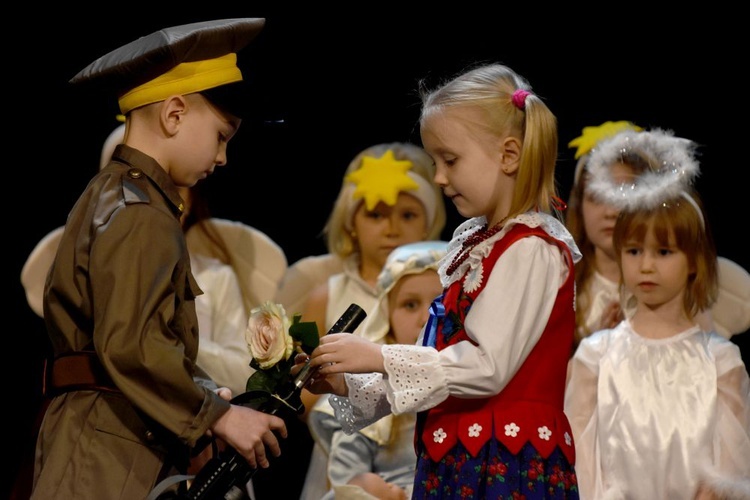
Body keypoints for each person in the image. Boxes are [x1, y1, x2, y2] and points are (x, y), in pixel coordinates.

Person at [31, 19, 288, 499]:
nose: (223, 157)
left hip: (105, 432)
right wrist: (221, 416)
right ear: (173, 115)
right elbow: (132, 344)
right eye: (221, 135)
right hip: (107, 446)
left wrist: (203, 390)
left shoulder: (113, 194)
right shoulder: (140, 212)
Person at [300, 63, 582, 498]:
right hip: (458, 457)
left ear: (509, 155)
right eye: (436, 161)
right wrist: (347, 381)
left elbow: (485, 366)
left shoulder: (531, 248)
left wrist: (377, 354)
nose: (439, 177)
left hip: (505, 463)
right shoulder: (476, 243)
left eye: (450, 160)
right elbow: (439, 366)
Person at [564, 128, 750, 499]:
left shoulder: (720, 360)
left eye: (663, 252)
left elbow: (730, 468)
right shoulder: (595, 356)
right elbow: (581, 462)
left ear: (694, 261)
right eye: (633, 251)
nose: (646, 265)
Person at [296, 142, 447, 499]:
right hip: (347, 447)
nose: (392, 229)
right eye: (376, 215)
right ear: (351, 223)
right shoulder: (327, 294)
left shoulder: (444, 290)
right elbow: (301, 385)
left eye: (408, 216)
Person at [566, 121, 750, 351]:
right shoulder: (560, 282)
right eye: (596, 196)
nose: (610, 211)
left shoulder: (694, 281)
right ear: (579, 204)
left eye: (623, 193)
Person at [312, 240, 447, 500]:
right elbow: (347, 488)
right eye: (410, 305)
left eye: (439, 303)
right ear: (387, 317)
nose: (426, 317)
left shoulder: (474, 380)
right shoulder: (370, 393)